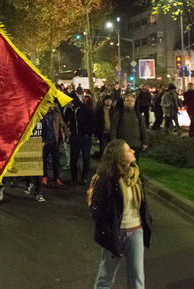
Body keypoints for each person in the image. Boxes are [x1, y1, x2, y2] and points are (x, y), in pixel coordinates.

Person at [87, 139, 151, 289]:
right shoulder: (106, 179)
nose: (133, 151)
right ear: (119, 156)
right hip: (114, 233)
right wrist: (106, 229)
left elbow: (142, 204)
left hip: (135, 231)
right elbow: (96, 207)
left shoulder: (135, 175)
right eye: (129, 150)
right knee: (106, 277)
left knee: (137, 276)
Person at [64, 93, 96, 186]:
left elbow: (93, 121)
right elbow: (65, 121)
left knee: (86, 158)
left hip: (85, 138)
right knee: (73, 158)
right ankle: (74, 178)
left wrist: (88, 134)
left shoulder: (85, 108)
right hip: (74, 138)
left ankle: (84, 177)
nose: (67, 103)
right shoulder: (69, 110)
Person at [111, 93, 148, 158]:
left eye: (131, 100)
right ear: (124, 102)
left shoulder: (138, 114)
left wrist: (145, 142)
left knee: (134, 164)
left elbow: (143, 128)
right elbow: (114, 128)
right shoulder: (119, 114)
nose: (130, 102)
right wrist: (114, 141)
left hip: (135, 144)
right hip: (122, 144)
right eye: (127, 100)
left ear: (134, 102)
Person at [41, 103, 65, 186]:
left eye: (53, 104)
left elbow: (62, 124)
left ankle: (57, 178)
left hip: (54, 141)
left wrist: (67, 135)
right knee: (43, 161)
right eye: (50, 104)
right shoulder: (42, 114)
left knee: (56, 161)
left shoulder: (56, 115)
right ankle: (44, 177)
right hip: (44, 141)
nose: (52, 105)